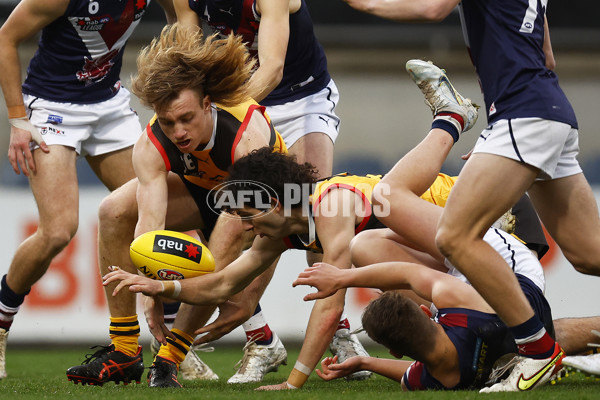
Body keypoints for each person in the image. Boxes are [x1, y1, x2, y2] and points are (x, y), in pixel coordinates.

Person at [101, 66, 482, 389]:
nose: (244, 226)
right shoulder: (283, 229)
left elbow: (330, 306)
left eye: (248, 213)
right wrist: (159, 287)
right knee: (437, 352)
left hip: (480, 219)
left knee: (372, 241)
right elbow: (221, 283)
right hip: (447, 250)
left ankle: (449, 121)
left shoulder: (329, 207)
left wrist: (294, 381)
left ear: (274, 202)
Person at [341, 0, 600, 390]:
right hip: (547, 111)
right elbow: (546, 57)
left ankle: (538, 352)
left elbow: (430, 9)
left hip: (523, 114)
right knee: (589, 253)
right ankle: (501, 334)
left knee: (445, 231)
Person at [64, 23, 287, 387]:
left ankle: (169, 358)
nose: (178, 132)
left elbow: (273, 231)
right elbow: (148, 230)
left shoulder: (245, 140)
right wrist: (148, 292)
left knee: (217, 260)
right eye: (168, 122)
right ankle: (124, 349)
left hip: (271, 203)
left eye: (187, 119)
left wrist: (250, 294)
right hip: (201, 189)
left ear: (206, 104)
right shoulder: (152, 142)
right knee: (113, 210)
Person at [168, 0, 351, 384]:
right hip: (234, 107)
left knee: (310, 217)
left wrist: (223, 113)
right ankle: (260, 340)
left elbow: (271, 67)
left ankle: (338, 331)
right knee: (247, 221)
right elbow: (188, 60)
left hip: (299, 100)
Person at [0, 0, 175, 380]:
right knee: (58, 230)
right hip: (52, 106)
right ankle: (0, 322)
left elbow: (183, 19)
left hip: (110, 105)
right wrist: (17, 119)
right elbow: (5, 37)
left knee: (164, 212)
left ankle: (170, 346)